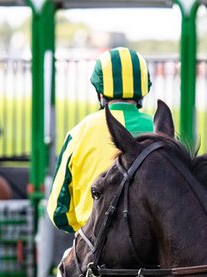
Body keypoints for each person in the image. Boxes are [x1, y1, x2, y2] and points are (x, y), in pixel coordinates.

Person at [47, 47, 154, 233]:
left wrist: (84, 228)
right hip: (153, 252)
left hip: (91, 247)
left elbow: (58, 211)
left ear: (99, 92)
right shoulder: (161, 129)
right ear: (143, 91)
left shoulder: (79, 132)